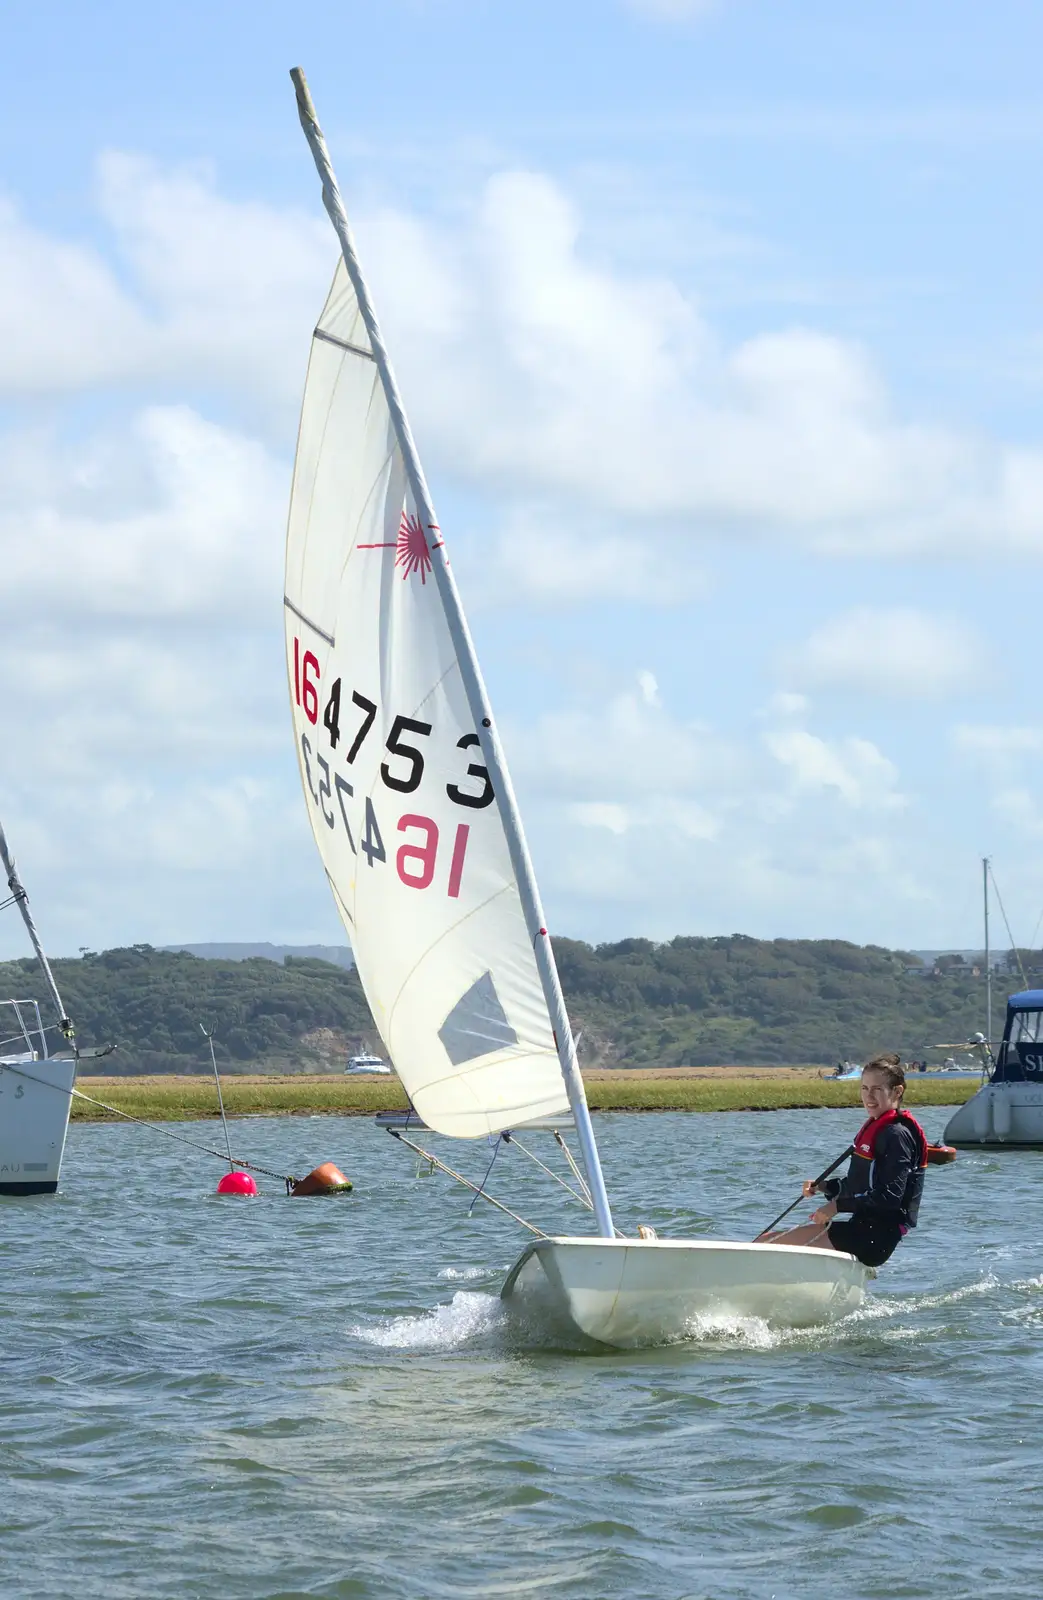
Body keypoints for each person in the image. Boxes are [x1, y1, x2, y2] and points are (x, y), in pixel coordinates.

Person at [757, 1054, 928, 1268]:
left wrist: (836, 1207)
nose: (869, 1096)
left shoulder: (897, 1135)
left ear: (897, 1091)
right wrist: (823, 1187)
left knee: (765, 1243)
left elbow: (889, 1198)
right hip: (863, 1230)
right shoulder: (881, 1130)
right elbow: (859, 1186)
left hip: (875, 1238)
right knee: (769, 1241)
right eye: (864, 1088)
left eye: (877, 1089)